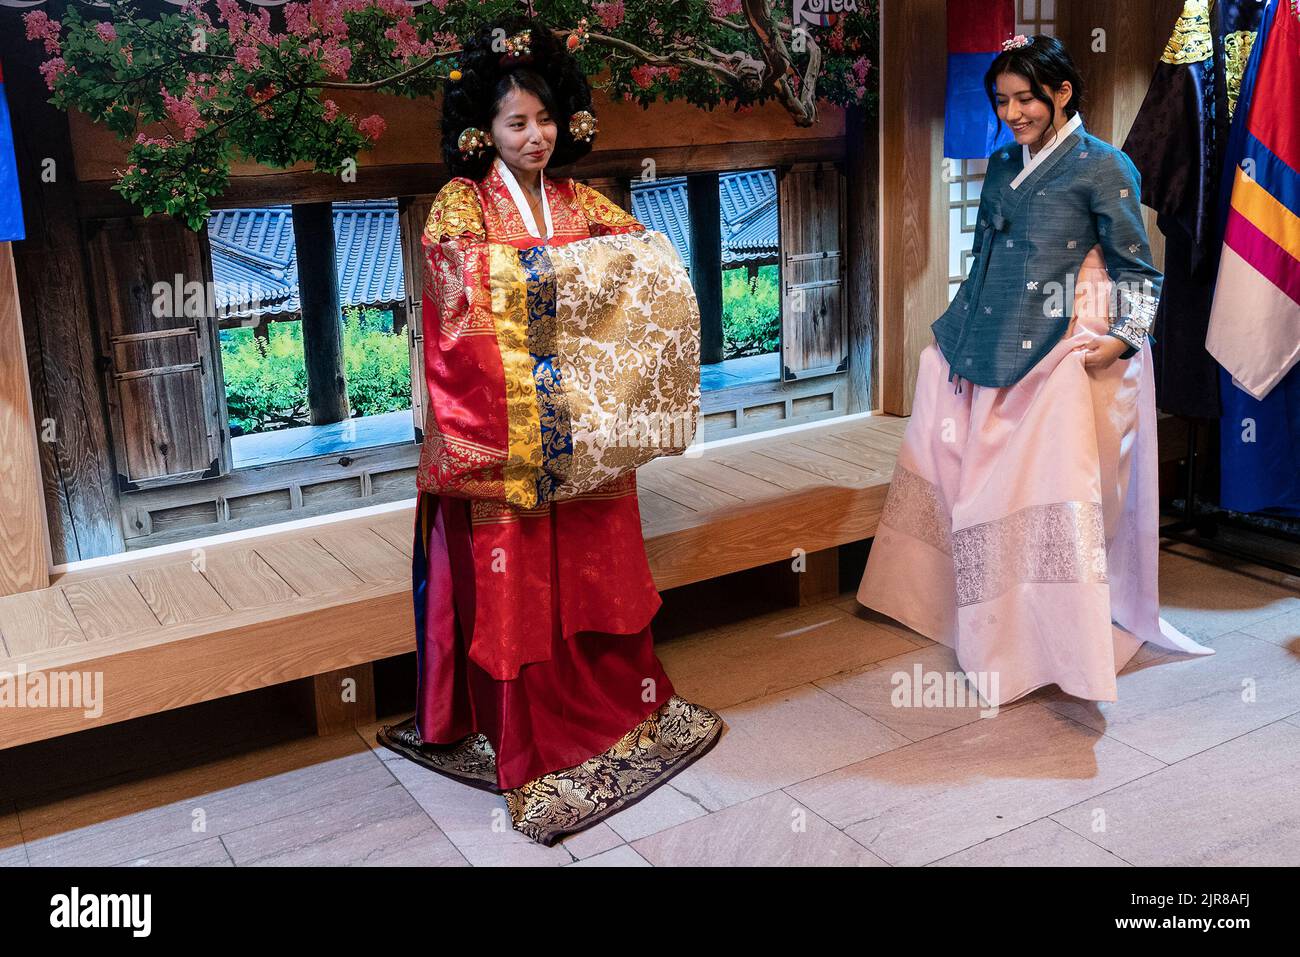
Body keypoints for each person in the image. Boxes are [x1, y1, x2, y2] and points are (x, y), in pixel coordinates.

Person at [378, 15, 722, 846]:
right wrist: (570, 292)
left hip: (590, 440)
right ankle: (526, 738)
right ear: (481, 131)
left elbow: (651, 268)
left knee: (602, 571)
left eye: (545, 119)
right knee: (517, 588)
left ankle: (620, 706)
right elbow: (461, 306)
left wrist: (584, 319)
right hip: (512, 445)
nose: (536, 137)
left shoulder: (579, 200)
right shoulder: (462, 207)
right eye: (516, 123)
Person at [858, 34, 1214, 709]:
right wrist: (955, 338)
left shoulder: (1104, 166)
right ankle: (972, 610)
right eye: (1003, 100)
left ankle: (1045, 635)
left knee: (1031, 482)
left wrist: (1122, 339)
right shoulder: (1001, 165)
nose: (1014, 112)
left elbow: (1138, 267)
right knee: (940, 393)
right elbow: (985, 260)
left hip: (1072, 337)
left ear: (1062, 93)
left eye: (1026, 98)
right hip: (997, 330)